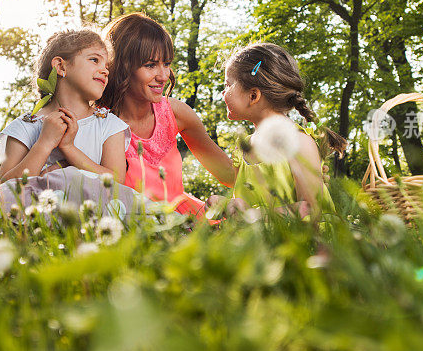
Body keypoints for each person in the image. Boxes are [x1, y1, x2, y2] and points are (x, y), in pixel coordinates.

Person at [98, 13, 235, 217]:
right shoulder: (98, 120)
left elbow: (229, 174)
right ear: (122, 65)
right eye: (150, 65)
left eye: (167, 63)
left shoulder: (176, 113)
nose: (163, 76)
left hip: (181, 223)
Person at [210, 42, 346, 216]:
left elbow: (311, 209)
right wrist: (227, 206)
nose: (223, 93)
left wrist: (254, 216)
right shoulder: (243, 148)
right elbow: (244, 209)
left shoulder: (298, 143)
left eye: (228, 85)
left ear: (253, 96)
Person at [0, 28, 129, 184]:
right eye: (94, 60)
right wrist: (44, 143)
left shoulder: (109, 125)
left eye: (107, 66)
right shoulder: (25, 126)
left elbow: (117, 183)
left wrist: (69, 148)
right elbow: (3, 190)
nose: (105, 71)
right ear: (61, 66)